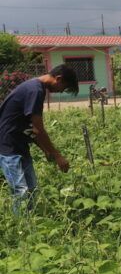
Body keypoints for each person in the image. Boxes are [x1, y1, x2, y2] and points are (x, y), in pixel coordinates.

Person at [0, 64, 78, 213]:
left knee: (32, 189)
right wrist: (58, 155)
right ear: (58, 78)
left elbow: (28, 125)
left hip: (20, 144)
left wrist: (45, 150)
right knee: (20, 191)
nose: (61, 91)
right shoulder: (35, 90)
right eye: (64, 87)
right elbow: (38, 129)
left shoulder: (36, 88)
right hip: (8, 145)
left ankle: (30, 223)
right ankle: (20, 227)